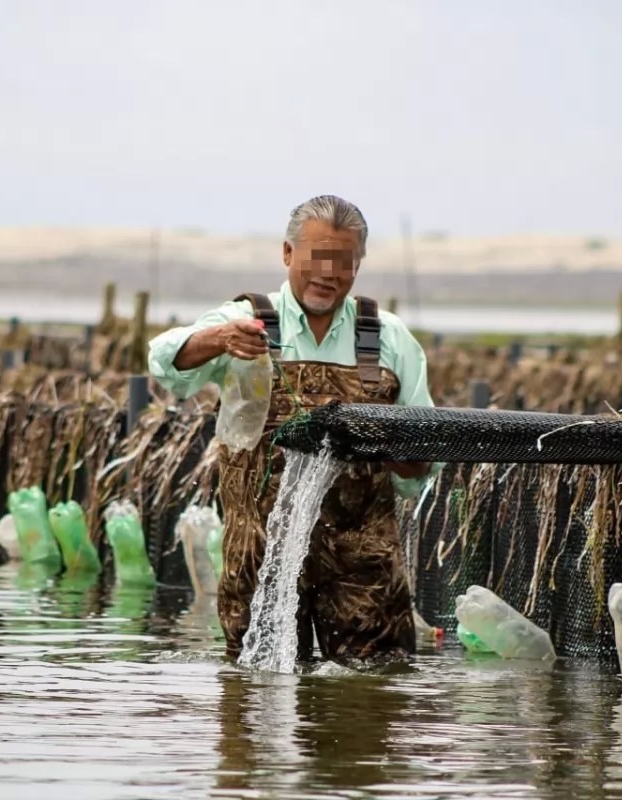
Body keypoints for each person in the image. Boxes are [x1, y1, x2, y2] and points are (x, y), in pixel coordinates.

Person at [148, 195, 437, 663]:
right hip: (260, 563)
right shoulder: (245, 321)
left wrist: (390, 449)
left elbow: (419, 466)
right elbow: (164, 361)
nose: (328, 273)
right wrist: (221, 339)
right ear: (287, 254)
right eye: (316, 257)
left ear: (357, 267)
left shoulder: (389, 337)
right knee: (253, 708)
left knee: (372, 702)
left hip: (364, 569)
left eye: (343, 262)